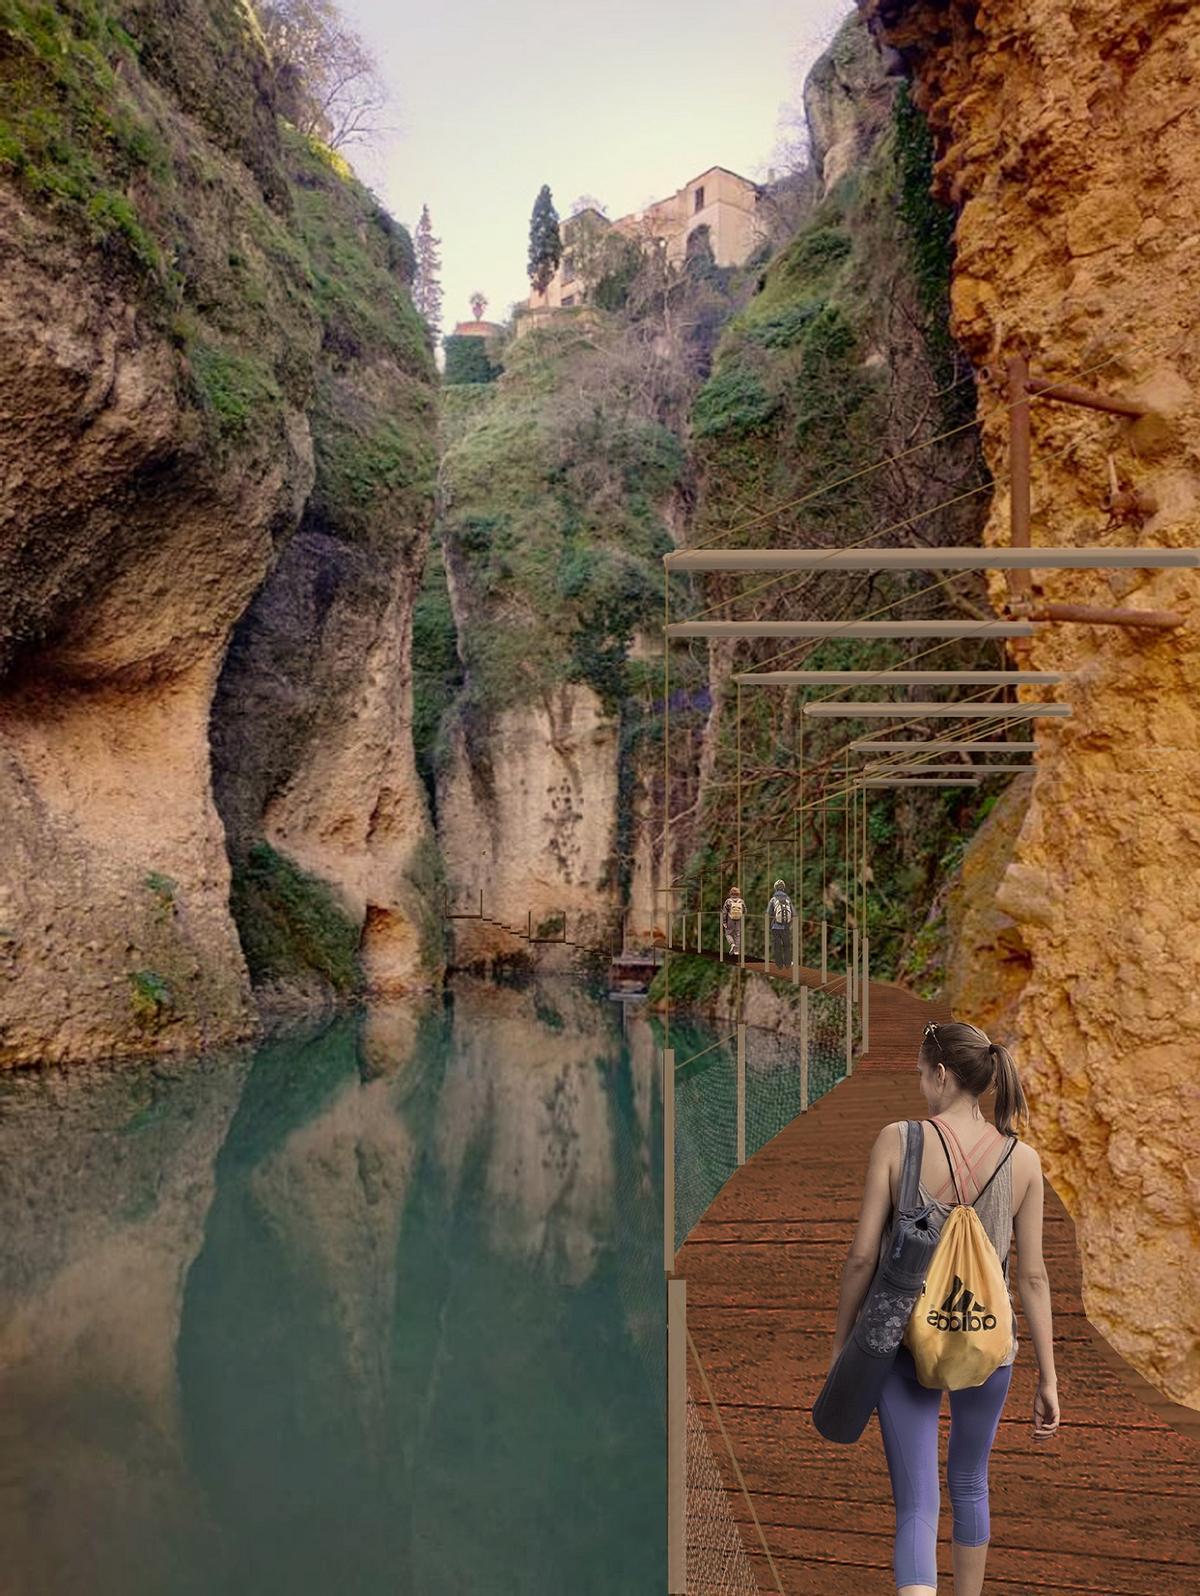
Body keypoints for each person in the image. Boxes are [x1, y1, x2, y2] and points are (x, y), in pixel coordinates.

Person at [826, 1019, 1059, 1596]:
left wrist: (844, 1344)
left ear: (943, 1074)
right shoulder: (1023, 1160)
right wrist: (1048, 1378)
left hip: (904, 1341)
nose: (920, 1086)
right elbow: (1031, 1275)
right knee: (971, 1483)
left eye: (922, 1075)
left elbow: (860, 1259)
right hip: (987, 1340)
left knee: (917, 1507)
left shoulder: (898, 1140)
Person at [766, 879, 794, 969]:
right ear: (783, 888)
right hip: (785, 927)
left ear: (775, 889)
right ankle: (788, 964)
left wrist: (768, 926)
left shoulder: (773, 900)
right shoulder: (788, 899)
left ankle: (779, 965)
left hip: (775, 927)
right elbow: (794, 914)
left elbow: (768, 913)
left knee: (777, 945)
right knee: (786, 945)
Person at [721, 885, 745, 957]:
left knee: (728, 934)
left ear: (730, 894)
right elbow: (745, 910)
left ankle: (732, 944)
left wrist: (724, 922)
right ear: (738, 894)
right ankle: (737, 951)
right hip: (738, 920)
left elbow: (724, 912)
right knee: (737, 934)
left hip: (730, 919)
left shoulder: (728, 901)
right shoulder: (741, 901)